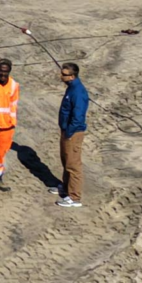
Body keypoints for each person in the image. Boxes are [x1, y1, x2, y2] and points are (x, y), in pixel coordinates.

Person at [56, 63, 89, 208]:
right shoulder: (72, 88)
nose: (61, 76)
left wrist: (69, 132)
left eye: (63, 74)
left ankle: (74, 197)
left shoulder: (78, 92)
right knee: (66, 160)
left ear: (72, 76)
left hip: (73, 133)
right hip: (67, 131)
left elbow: (78, 116)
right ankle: (66, 187)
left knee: (73, 164)